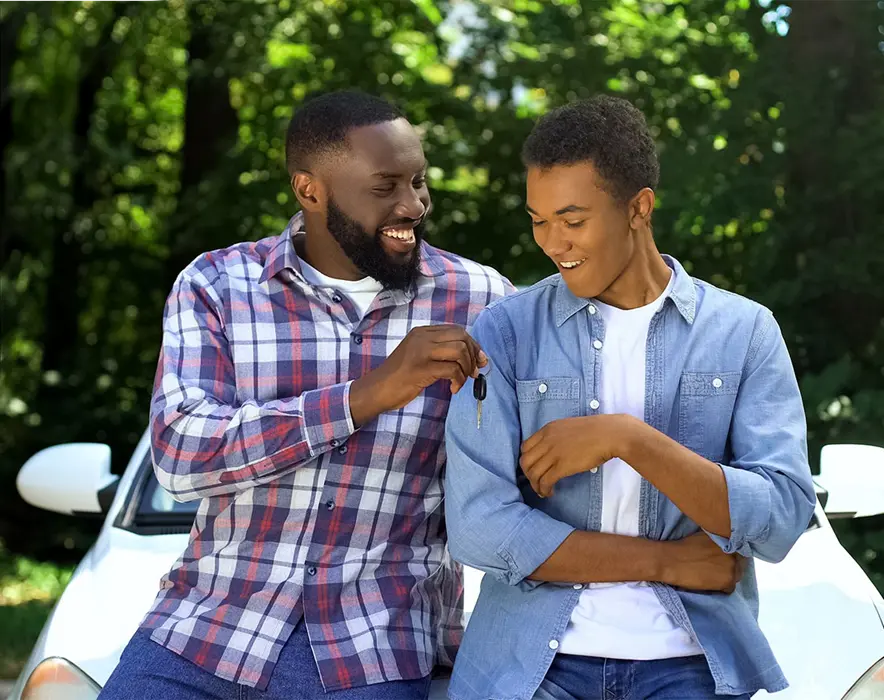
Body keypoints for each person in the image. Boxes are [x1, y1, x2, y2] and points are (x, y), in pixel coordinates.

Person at [98, 90, 512, 700]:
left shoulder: (481, 300)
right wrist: (363, 396)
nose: (414, 204)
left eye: (420, 181)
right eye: (385, 186)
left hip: (371, 646)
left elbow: (515, 466)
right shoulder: (218, 284)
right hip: (203, 632)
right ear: (310, 191)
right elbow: (182, 455)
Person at [443, 96, 815, 700]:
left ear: (639, 207)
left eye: (573, 219)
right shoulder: (505, 333)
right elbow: (480, 529)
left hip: (690, 662)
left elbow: (778, 517)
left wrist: (628, 439)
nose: (553, 242)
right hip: (531, 668)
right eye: (538, 220)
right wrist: (663, 561)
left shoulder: (744, 332)